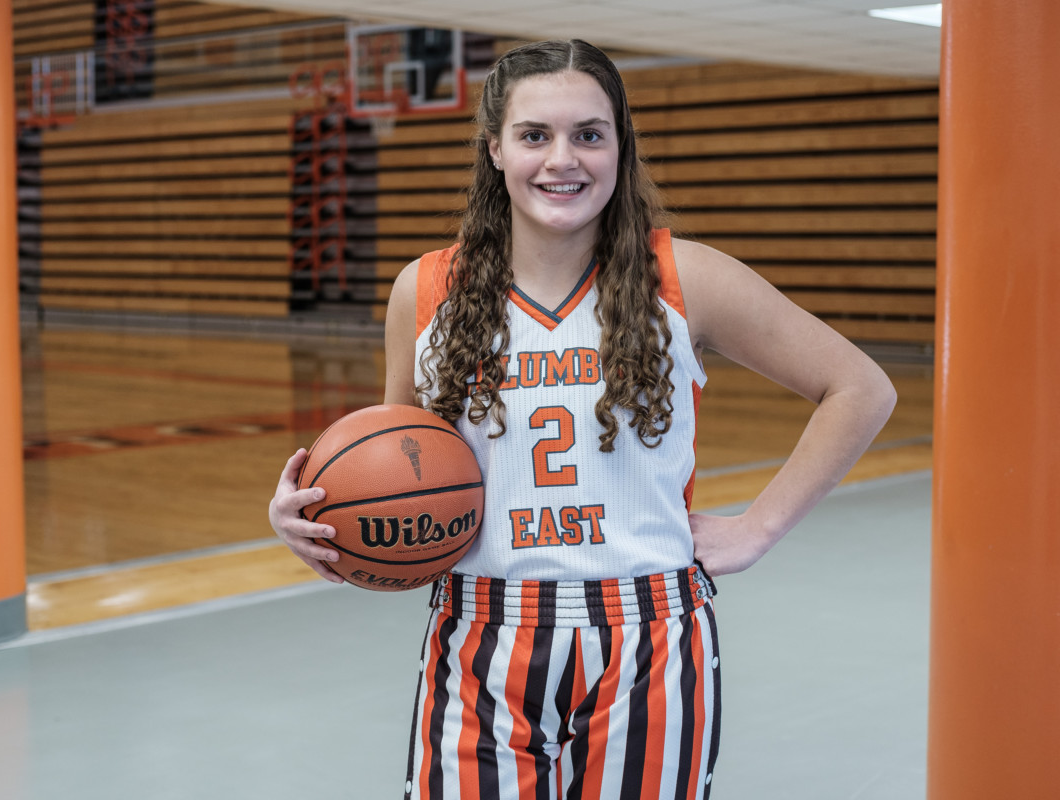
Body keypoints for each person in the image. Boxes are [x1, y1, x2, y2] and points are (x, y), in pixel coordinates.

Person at [269, 39, 896, 800]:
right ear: (495, 147)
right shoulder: (427, 289)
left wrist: (759, 527)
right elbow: (401, 461)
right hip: (481, 631)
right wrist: (320, 520)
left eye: (589, 134)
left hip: (650, 632)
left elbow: (859, 387)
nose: (561, 159)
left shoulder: (685, 277)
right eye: (535, 135)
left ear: (619, 148)